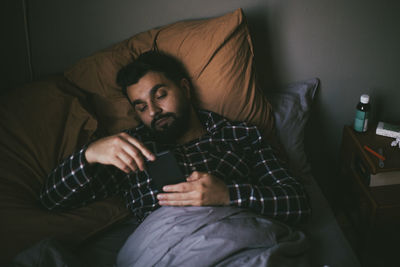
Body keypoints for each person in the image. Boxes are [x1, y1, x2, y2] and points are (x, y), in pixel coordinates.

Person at [38, 50, 311, 265]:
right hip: (161, 245)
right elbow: (51, 200)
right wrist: (89, 155)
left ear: (184, 88)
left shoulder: (240, 135)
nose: (154, 111)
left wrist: (228, 194)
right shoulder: (129, 149)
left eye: (161, 95)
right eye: (142, 107)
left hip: (234, 232)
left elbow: (298, 203)